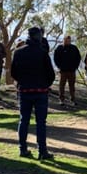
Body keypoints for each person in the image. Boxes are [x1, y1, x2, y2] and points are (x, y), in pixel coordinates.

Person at [11, 27, 56, 160]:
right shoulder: (42, 53)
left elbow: (13, 73)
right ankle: (42, 151)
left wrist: (22, 82)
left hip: (25, 91)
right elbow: (51, 74)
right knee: (41, 122)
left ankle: (23, 149)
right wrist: (45, 85)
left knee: (24, 120)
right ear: (39, 37)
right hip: (40, 91)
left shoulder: (18, 52)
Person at [53, 35, 82, 106]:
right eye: (65, 40)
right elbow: (55, 58)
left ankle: (73, 99)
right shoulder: (59, 48)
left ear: (70, 41)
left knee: (72, 86)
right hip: (63, 71)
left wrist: (75, 67)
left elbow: (78, 58)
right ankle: (61, 100)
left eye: (68, 40)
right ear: (63, 40)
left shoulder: (74, 48)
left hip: (72, 71)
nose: (67, 42)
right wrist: (59, 67)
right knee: (61, 85)